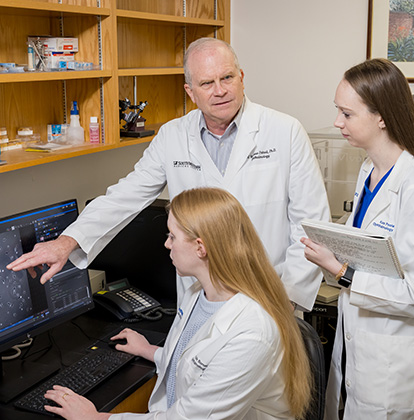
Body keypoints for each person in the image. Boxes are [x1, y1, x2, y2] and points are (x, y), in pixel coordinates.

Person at [7, 37, 329, 311]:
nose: (220, 91)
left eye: (227, 78)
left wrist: (289, 300)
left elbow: (310, 224)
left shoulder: (284, 131)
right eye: (207, 83)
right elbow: (126, 195)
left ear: (242, 77)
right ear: (190, 91)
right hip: (197, 299)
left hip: (267, 296)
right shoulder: (173, 136)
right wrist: (67, 242)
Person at [43, 187, 313, 420]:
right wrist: (151, 351)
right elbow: (197, 362)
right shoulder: (202, 291)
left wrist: (98, 418)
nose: (166, 244)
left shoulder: (252, 333)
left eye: (172, 236)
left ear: (200, 247)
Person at [301, 58, 414, 419]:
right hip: (358, 346)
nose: (337, 122)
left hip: (393, 364)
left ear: (381, 116)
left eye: (347, 114)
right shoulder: (369, 170)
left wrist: (341, 271)